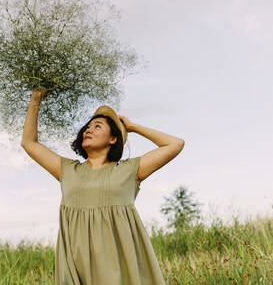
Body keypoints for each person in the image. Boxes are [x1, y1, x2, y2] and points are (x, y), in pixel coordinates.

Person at [21, 87, 184, 284]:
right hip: (77, 262)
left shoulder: (129, 170)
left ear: (113, 138)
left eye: (97, 126)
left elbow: (175, 144)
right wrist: (36, 98)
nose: (89, 129)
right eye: (87, 127)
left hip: (119, 263)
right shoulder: (67, 170)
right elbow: (29, 143)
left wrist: (132, 127)